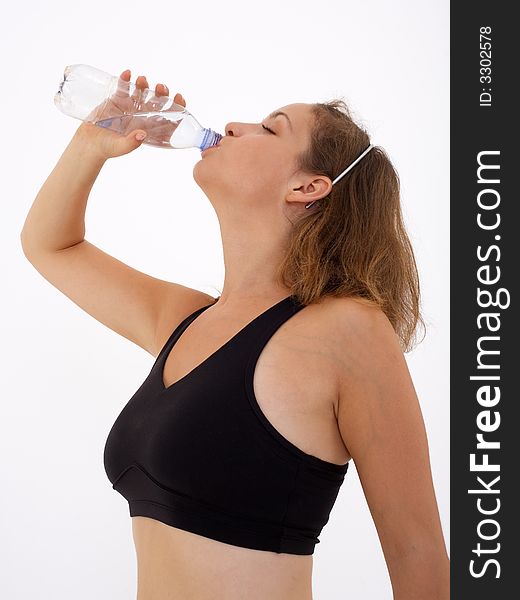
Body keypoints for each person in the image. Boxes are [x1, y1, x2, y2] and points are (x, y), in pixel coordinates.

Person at [21, 68, 450, 600]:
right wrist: (91, 141)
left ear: (308, 186)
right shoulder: (187, 323)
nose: (234, 125)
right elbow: (50, 245)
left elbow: (417, 552)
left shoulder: (348, 331)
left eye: (271, 129)